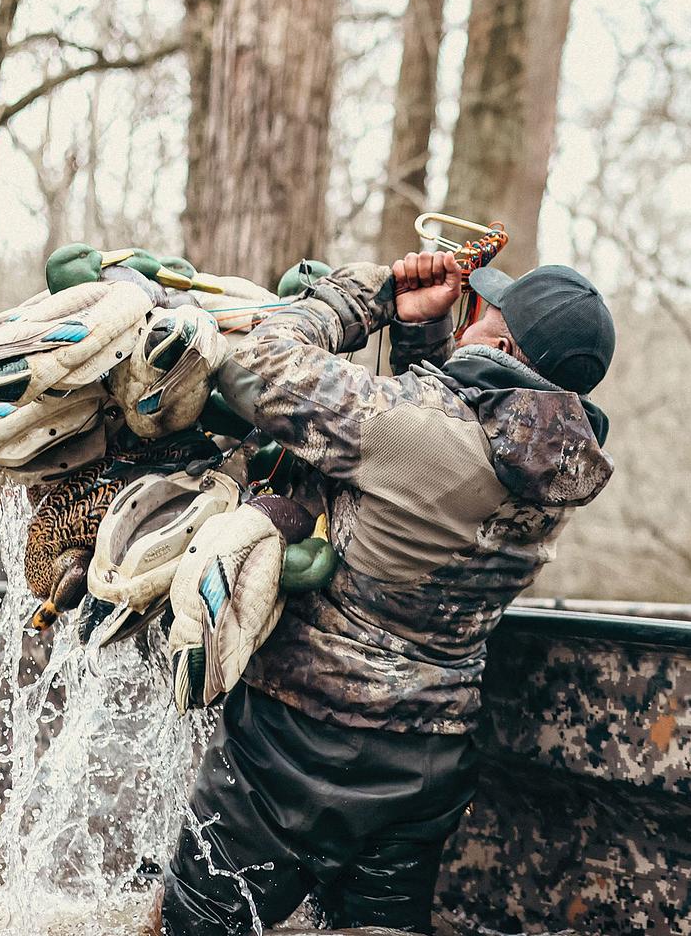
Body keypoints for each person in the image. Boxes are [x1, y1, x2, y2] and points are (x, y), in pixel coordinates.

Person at [155, 250, 616, 935]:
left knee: (192, 927)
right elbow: (435, 440)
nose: (470, 315)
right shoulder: (561, 466)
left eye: (483, 311)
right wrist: (420, 336)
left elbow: (253, 361)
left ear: (505, 343)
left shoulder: (417, 430)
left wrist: (359, 297)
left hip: (298, 751)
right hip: (428, 766)